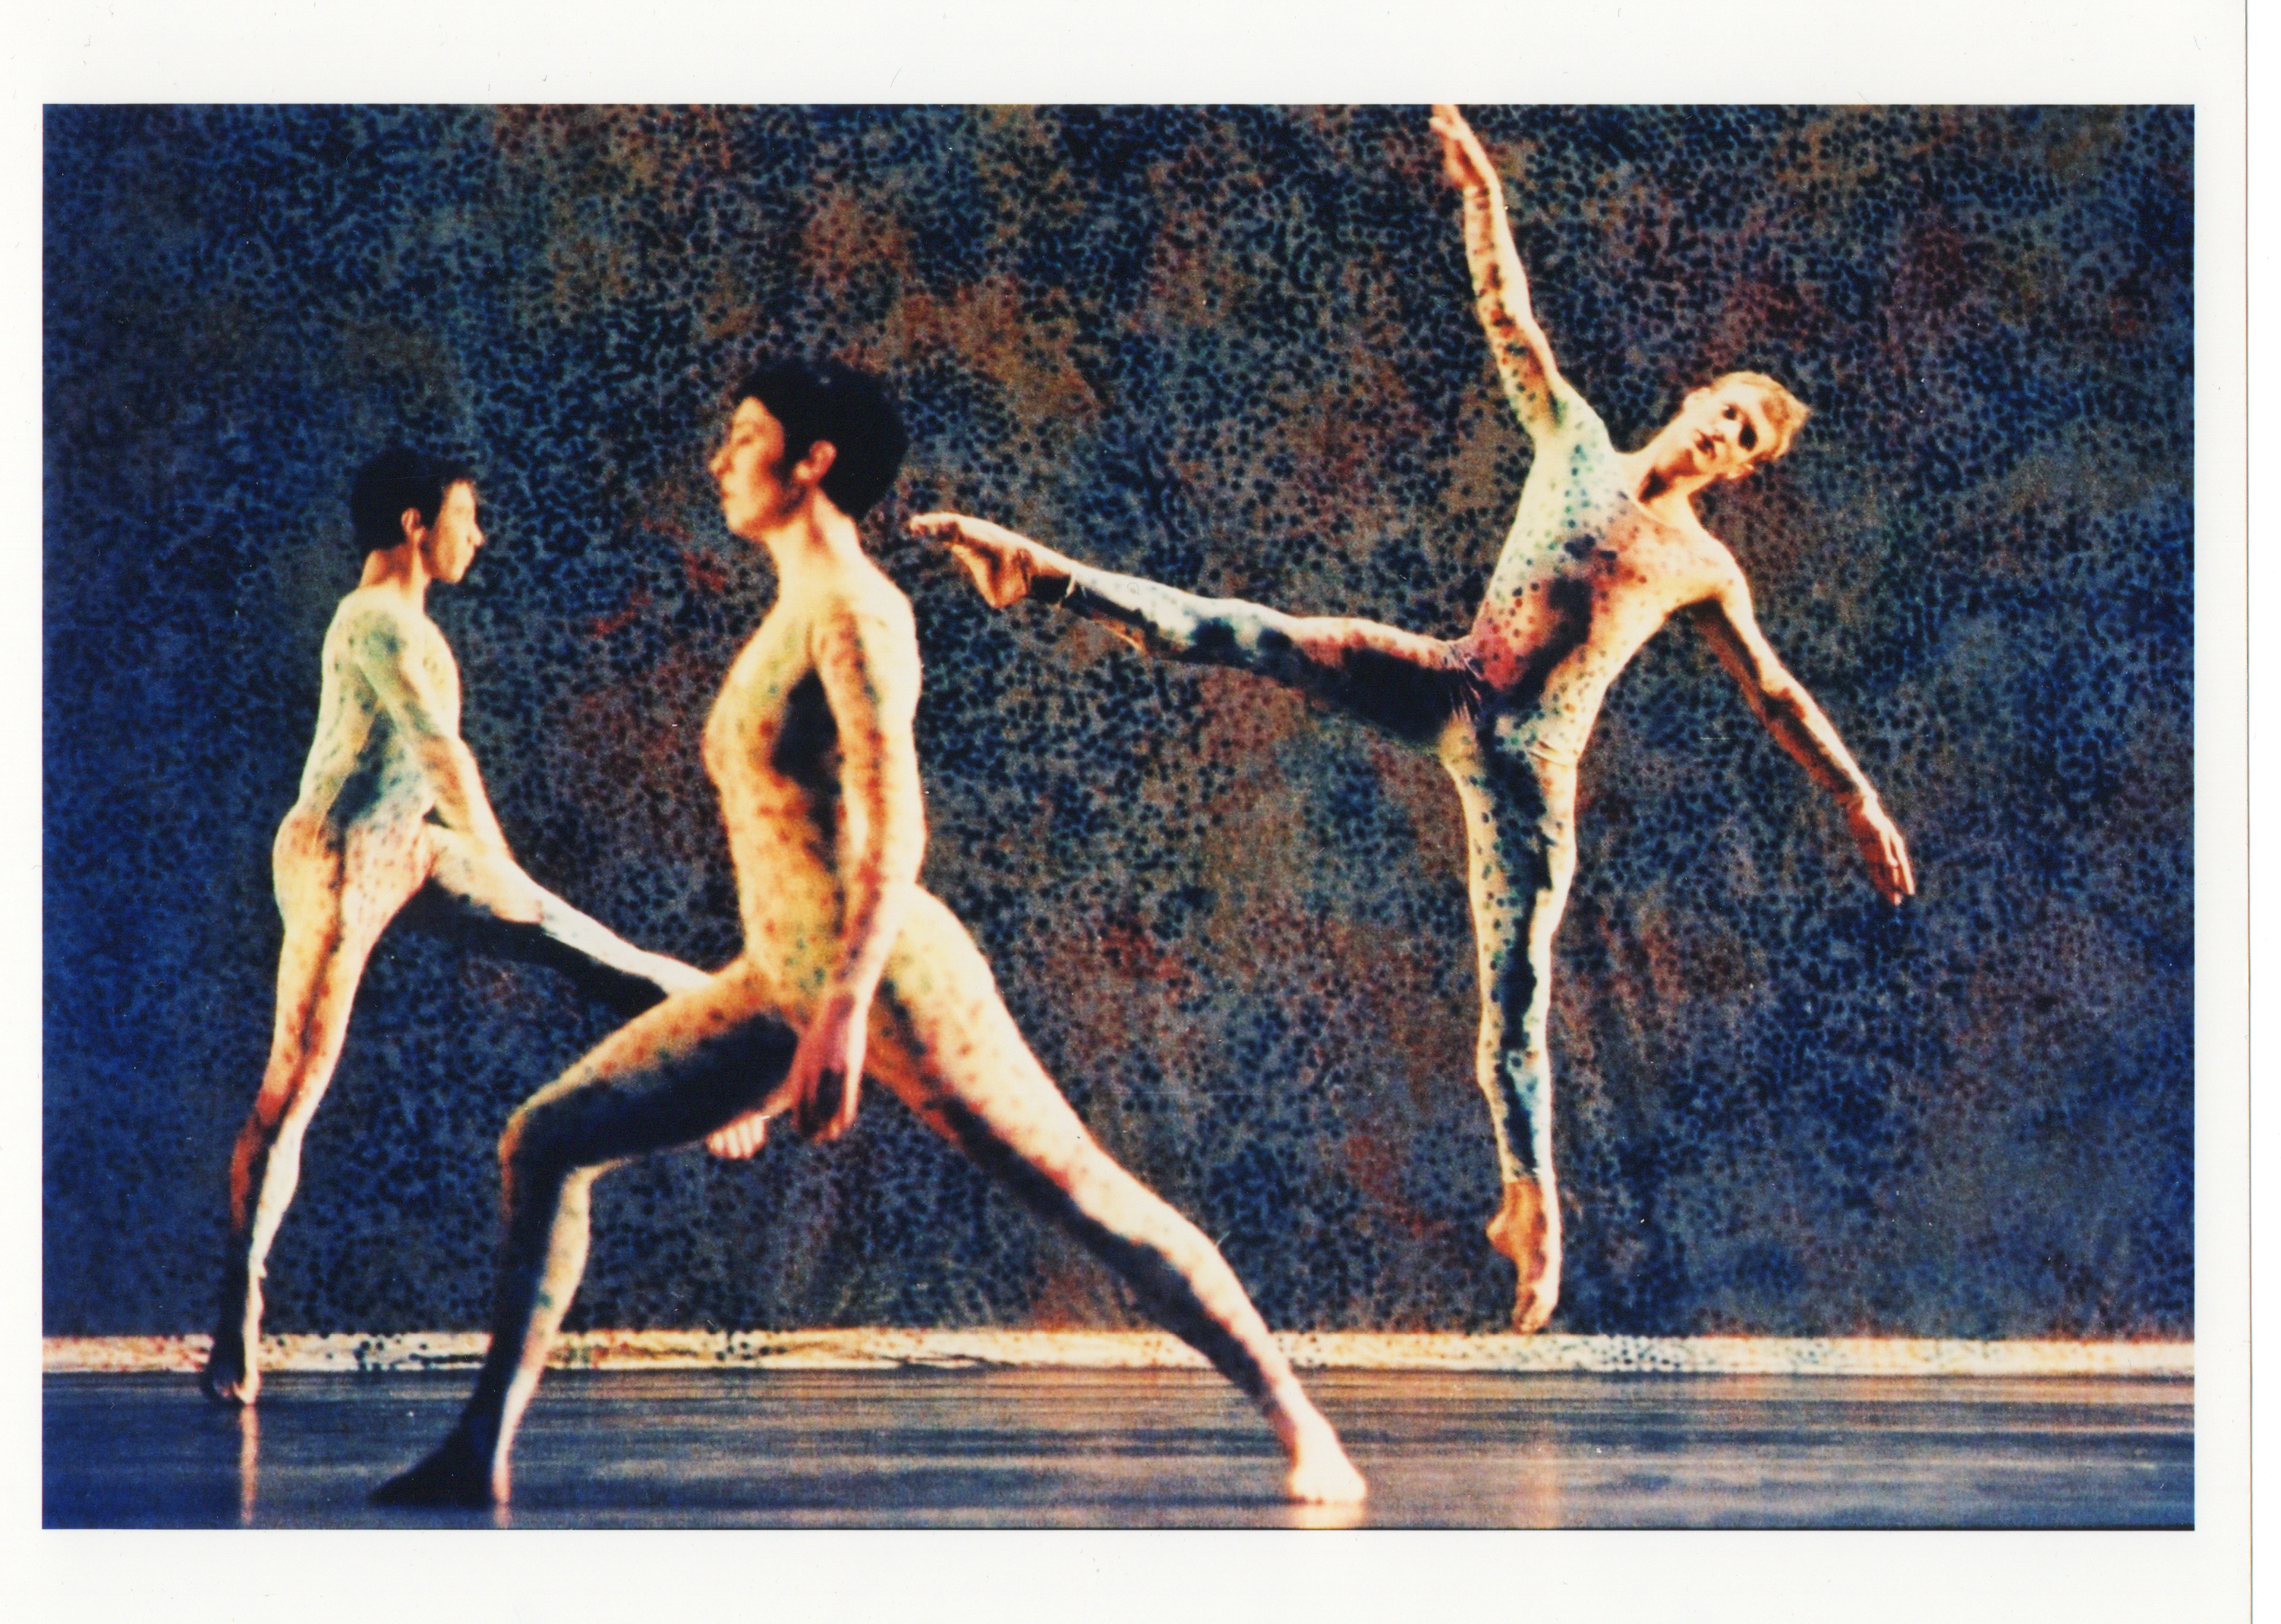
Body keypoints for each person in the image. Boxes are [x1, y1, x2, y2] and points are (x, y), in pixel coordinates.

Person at [913, 105, 1914, 1336]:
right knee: (1248, 630)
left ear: (1745, 469)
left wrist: (1856, 798)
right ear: (1697, 396)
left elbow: (1776, 694)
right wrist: (1478, 183)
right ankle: (1039, 572)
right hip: (1450, 682)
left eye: (1748, 438)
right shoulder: (1576, 437)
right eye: (1729, 407)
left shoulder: (1703, 567)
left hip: (1530, 775)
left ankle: (1530, 1204)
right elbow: (1509, 311)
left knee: (1516, 999)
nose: (1726, 431)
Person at [373, 358, 1366, 1509]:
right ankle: (477, 1449)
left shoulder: (856, 612)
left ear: (813, 461)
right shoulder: (794, 609)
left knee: (1086, 1197)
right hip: (779, 981)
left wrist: (842, 1015)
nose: (720, 460)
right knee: (544, 1140)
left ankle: (1306, 1432)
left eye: (744, 437)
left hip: (887, 977)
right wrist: (776, 1032)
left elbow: (897, 824)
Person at [203, 447, 710, 1406]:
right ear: (412, 522)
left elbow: (431, 778)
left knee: (584, 943)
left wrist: (506, 884)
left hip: (411, 846)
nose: (475, 534)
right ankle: (237, 1307)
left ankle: (756, 1024)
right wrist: (505, 867)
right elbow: (442, 753)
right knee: (294, 1085)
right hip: (336, 858)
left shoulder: (414, 624)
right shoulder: (373, 620)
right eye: (463, 514)